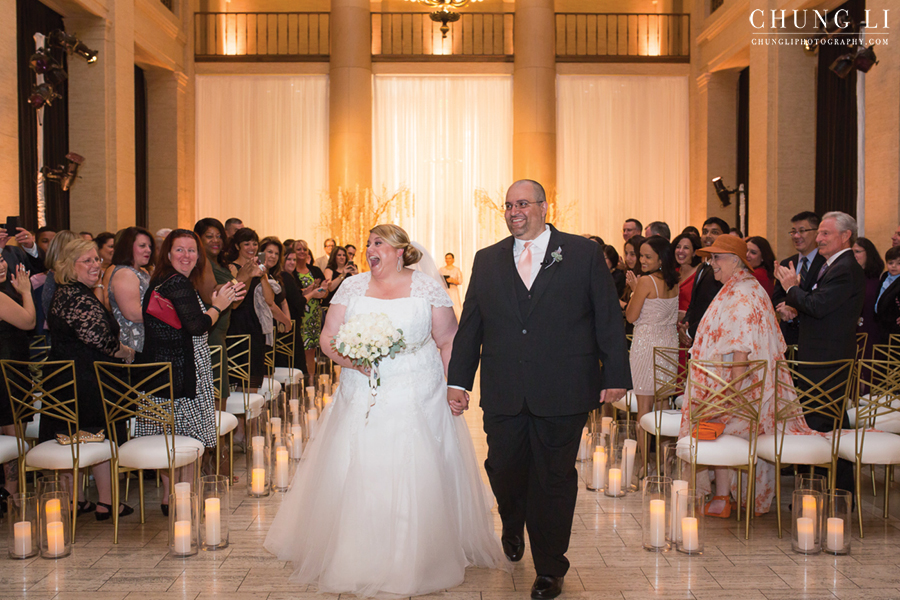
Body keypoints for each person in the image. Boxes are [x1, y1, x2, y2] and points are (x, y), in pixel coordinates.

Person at [265, 224, 508, 596]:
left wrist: (453, 385)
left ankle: (418, 552)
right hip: (360, 386)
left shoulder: (426, 286)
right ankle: (356, 551)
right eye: (367, 244)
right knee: (359, 461)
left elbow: (447, 341)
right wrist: (350, 359)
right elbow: (327, 336)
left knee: (416, 462)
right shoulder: (352, 286)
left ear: (399, 250)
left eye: (378, 243)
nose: (369, 249)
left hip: (418, 387)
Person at [447, 180, 631, 600]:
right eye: (509, 205)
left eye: (523, 203)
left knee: (553, 479)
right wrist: (457, 381)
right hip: (504, 388)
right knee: (503, 468)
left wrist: (615, 373)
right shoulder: (488, 259)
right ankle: (513, 522)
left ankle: (550, 567)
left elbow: (607, 317)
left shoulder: (581, 254)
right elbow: (471, 323)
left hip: (564, 388)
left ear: (544, 207)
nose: (515, 211)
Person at [680, 235, 811, 517]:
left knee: (712, 422)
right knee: (711, 420)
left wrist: (729, 395)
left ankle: (724, 496)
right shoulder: (740, 288)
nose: (711, 263)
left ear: (736, 260)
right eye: (711, 258)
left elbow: (741, 350)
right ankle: (731, 495)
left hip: (740, 393)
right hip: (746, 391)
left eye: (717, 257)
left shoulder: (742, 293)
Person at [140, 230, 242, 507]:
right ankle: (185, 497)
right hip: (180, 374)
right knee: (187, 440)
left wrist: (214, 301)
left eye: (191, 250)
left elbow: (187, 321)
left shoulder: (165, 280)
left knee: (167, 440)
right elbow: (198, 326)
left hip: (161, 374)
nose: (186, 256)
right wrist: (219, 306)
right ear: (168, 253)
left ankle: (169, 497)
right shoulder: (177, 284)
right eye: (179, 250)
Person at [774, 211, 865, 499]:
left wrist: (792, 289)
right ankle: (836, 493)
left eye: (825, 233)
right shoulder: (833, 265)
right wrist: (796, 304)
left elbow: (820, 304)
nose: (819, 238)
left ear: (845, 236)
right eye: (820, 233)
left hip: (828, 359)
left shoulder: (846, 267)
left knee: (818, 425)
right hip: (824, 355)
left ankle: (814, 494)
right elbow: (819, 306)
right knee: (831, 424)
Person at [46, 239, 136, 519]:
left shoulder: (67, 293)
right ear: (68, 266)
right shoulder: (77, 298)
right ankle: (107, 502)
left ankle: (76, 500)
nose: (96, 265)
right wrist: (128, 352)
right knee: (98, 435)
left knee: (75, 437)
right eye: (87, 260)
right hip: (87, 379)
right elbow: (102, 341)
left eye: (97, 259)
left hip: (66, 379)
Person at [624, 236, 678, 461]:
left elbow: (631, 315)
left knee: (644, 409)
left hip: (646, 345)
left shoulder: (646, 282)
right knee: (663, 406)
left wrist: (635, 290)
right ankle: (664, 464)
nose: (642, 261)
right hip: (669, 345)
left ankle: (645, 465)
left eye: (648, 257)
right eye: (641, 256)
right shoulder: (675, 280)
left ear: (661, 259)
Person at [0, 256, 36, 505]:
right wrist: (26, 292)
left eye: (1, 259)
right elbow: (29, 321)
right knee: (12, 432)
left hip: (9, 366)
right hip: (7, 370)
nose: (2, 265)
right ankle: (13, 493)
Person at [224, 228, 273, 390]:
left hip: (254, 323)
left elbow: (269, 300)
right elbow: (236, 299)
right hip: (237, 323)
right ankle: (240, 414)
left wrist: (263, 274)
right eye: (247, 244)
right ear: (238, 246)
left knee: (254, 378)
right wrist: (249, 275)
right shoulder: (232, 267)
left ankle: (251, 413)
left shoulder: (258, 268)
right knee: (239, 378)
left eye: (254, 244)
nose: (251, 247)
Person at [772, 211, 825, 346]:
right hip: (788, 337)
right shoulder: (787, 263)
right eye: (793, 232)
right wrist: (785, 307)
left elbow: (820, 299)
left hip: (815, 337)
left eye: (802, 231)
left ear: (817, 233)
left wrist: (796, 308)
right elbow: (777, 297)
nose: (796, 236)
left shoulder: (826, 263)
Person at [679, 217, 728, 346]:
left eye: (714, 232)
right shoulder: (702, 266)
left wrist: (691, 332)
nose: (708, 236)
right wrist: (685, 325)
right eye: (705, 232)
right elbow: (693, 304)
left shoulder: (725, 269)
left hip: (714, 337)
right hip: (696, 336)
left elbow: (715, 308)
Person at [104, 227, 155, 353]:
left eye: (149, 246)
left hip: (147, 339)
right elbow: (133, 314)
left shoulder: (142, 271)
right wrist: (166, 313)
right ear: (127, 247)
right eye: (142, 246)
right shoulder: (125, 273)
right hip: (134, 344)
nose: (148, 250)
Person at [293, 239, 326, 384]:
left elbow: (325, 292)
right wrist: (309, 291)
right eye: (298, 249)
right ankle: (303, 379)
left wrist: (322, 291)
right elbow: (293, 294)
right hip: (301, 313)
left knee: (312, 348)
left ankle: (312, 380)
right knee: (303, 347)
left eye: (304, 249)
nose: (302, 252)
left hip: (314, 313)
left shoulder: (315, 270)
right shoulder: (291, 272)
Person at [853, 237, 885, 350]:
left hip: (872, 332)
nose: (854, 256)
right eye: (851, 252)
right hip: (852, 333)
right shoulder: (850, 279)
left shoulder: (879, 280)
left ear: (869, 253)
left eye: (857, 251)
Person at [874, 246, 900, 343]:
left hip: (894, 324)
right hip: (881, 323)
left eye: (899, 264)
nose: (893, 266)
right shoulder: (885, 276)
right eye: (890, 263)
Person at [672, 232, 700, 321]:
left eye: (686, 248)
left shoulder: (701, 274)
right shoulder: (673, 272)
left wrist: (688, 316)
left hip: (690, 326)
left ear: (694, 253)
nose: (681, 251)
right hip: (670, 326)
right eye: (678, 247)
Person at [439, 252, 463, 319]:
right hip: (444, 291)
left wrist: (452, 280)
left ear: (453, 259)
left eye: (449, 258)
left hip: (453, 291)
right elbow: (437, 280)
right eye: (446, 258)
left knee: (455, 306)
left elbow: (460, 281)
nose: (448, 260)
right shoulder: (441, 269)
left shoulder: (456, 269)